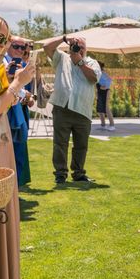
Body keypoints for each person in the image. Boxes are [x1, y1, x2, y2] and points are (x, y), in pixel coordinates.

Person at [0, 16, 36, 279]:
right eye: (0, 39)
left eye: (4, 40)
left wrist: (17, 89)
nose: (2, 45)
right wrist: (18, 83)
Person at [43, 36, 101, 184]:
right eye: (76, 46)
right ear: (69, 46)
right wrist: (64, 38)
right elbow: (46, 47)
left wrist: (80, 62)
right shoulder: (62, 58)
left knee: (81, 145)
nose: (78, 49)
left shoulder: (91, 62)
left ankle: (79, 173)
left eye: (81, 47)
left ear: (86, 49)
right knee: (60, 144)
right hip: (62, 107)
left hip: (83, 109)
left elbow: (94, 78)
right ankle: (60, 174)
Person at [4, 38, 33, 187]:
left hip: (17, 109)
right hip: (7, 111)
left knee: (19, 149)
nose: (20, 50)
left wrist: (27, 95)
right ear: (8, 45)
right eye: (16, 46)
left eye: (24, 48)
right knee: (9, 152)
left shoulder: (21, 63)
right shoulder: (3, 61)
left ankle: (15, 188)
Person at [96, 61, 115, 131]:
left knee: (106, 108)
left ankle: (112, 125)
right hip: (100, 92)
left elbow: (110, 80)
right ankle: (103, 125)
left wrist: (106, 87)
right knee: (100, 109)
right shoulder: (97, 73)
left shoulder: (103, 73)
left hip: (106, 91)